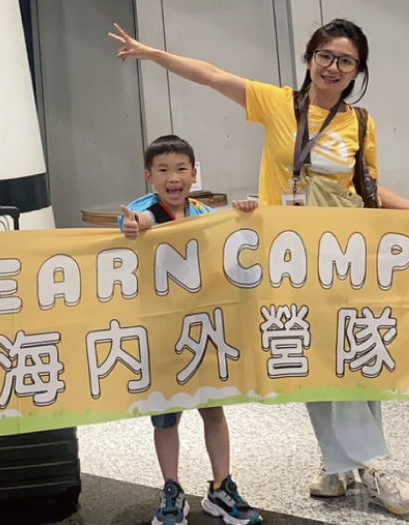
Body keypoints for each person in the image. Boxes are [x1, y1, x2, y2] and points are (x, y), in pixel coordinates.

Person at [110, 17, 409, 516]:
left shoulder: (361, 123)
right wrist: (151, 53)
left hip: (345, 255)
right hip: (290, 257)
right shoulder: (278, 104)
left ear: (358, 70)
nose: (333, 67)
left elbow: (365, 189)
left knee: (352, 353)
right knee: (315, 355)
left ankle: (356, 466)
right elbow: (210, 75)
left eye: (346, 60)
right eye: (325, 55)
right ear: (309, 58)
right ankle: (356, 464)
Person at [120, 135, 262, 525]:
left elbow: (231, 233)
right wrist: (133, 225)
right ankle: (172, 490)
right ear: (149, 176)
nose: (174, 178)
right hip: (162, 334)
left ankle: (221, 487)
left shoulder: (204, 212)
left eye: (182, 169)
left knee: (213, 410)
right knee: (166, 417)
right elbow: (138, 222)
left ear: (194, 173)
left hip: (204, 330)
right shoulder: (142, 210)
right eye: (163, 170)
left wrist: (244, 212)